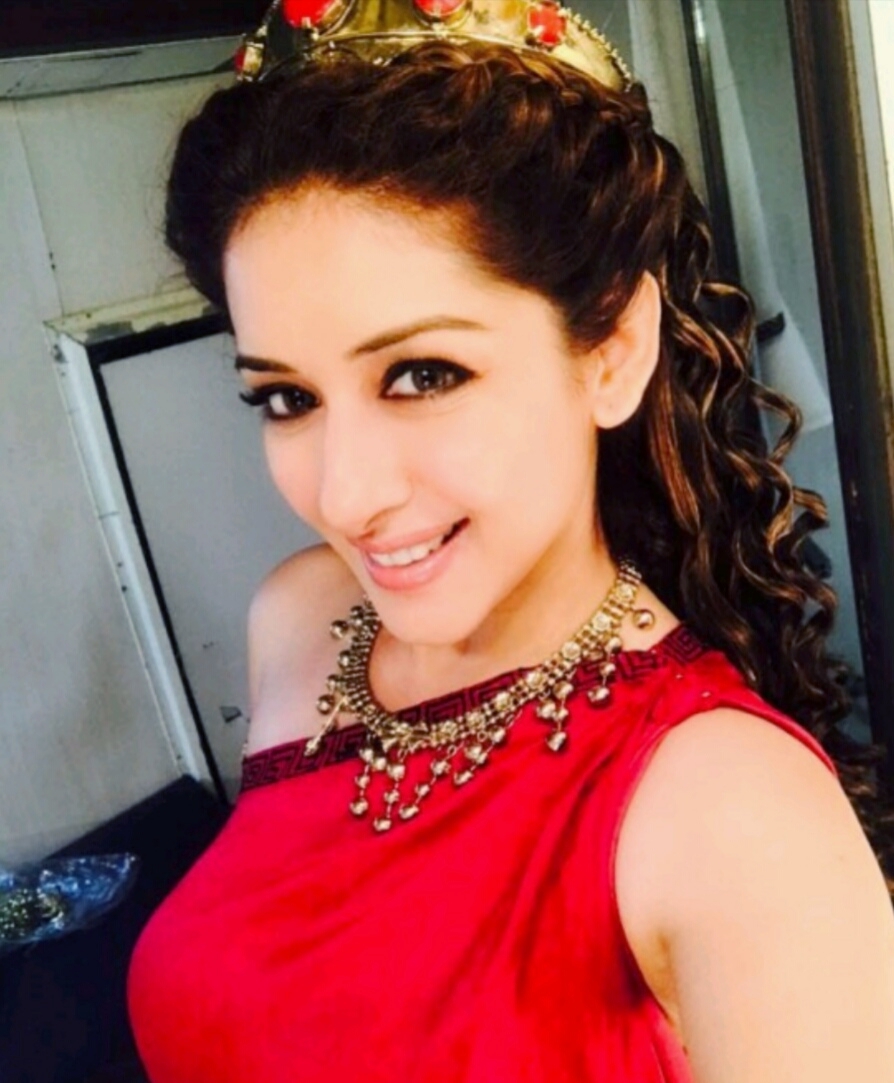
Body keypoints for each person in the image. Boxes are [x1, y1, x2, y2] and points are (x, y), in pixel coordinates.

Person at [127, 1, 894, 1080]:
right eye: (288, 398)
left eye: (423, 375)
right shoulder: (305, 618)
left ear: (613, 351)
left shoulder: (736, 816)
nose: (346, 496)